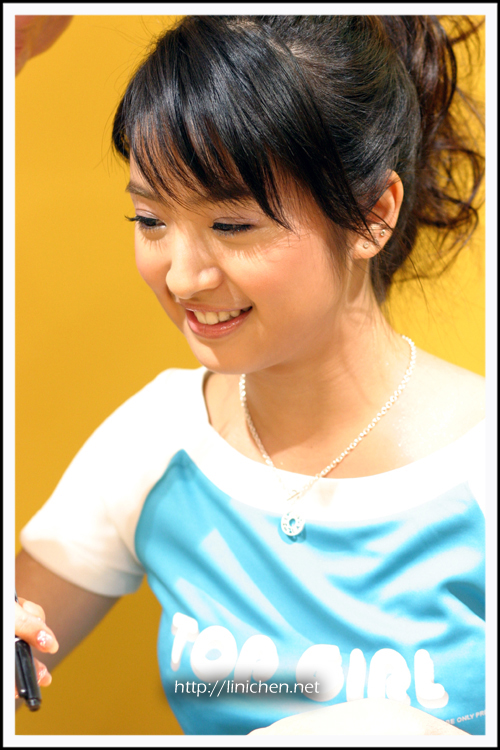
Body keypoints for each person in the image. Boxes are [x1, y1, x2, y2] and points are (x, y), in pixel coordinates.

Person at [15, 15, 485, 735]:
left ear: (372, 215)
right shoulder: (157, 441)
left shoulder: (478, 465)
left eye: (231, 226)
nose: (183, 277)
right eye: (150, 220)